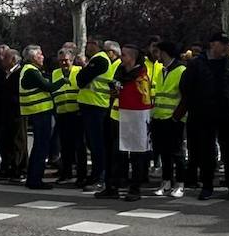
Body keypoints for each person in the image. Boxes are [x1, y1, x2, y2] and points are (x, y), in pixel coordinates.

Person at [180, 33, 229, 200]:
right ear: (212, 44)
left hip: (225, 113)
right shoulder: (197, 64)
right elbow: (185, 87)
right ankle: (207, 186)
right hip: (203, 113)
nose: (225, 47)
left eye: (226, 44)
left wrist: (228, 99)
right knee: (206, 152)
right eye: (222, 44)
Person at [99, 45, 151, 201]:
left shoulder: (140, 76)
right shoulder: (120, 72)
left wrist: (120, 92)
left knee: (136, 155)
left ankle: (135, 189)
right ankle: (112, 187)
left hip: (134, 120)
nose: (121, 57)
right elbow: (115, 90)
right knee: (114, 155)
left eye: (125, 55)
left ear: (133, 58)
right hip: (116, 118)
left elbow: (142, 99)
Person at [18, 45, 67, 190]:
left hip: (39, 112)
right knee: (41, 147)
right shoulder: (31, 71)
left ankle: (33, 178)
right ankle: (35, 179)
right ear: (33, 57)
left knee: (40, 147)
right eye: (40, 54)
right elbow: (48, 87)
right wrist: (63, 80)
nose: (43, 57)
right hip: (41, 112)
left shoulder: (29, 70)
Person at [76, 38, 121, 189]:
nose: (86, 47)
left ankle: (99, 177)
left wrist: (83, 71)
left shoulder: (99, 60)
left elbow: (81, 80)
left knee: (97, 145)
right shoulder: (97, 60)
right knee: (94, 143)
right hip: (93, 105)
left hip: (96, 106)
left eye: (89, 44)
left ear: (96, 45)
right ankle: (97, 175)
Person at [150, 41, 188, 198]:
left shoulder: (181, 70)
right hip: (159, 117)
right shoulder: (162, 71)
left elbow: (186, 97)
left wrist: (176, 117)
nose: (155, 55)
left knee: (177, 153)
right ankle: (166, 181)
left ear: (165, 53)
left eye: (157, 52)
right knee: (163, 152)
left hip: (174, 119)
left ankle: (180, 184)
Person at [51, 47, 85, 184]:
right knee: (65, 146)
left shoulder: (79, 71)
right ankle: (66, 173)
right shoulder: (55, 73)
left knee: (79, 145)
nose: (63, 63)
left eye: (66, 61)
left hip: (76, 113)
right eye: (61, 61)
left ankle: (81, 175)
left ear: (72, 60)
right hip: (62, 113)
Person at [0, 50, 27, 180]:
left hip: (17, 113)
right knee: (7, 141)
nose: (2, 59)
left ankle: (19, 168)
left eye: (6, 57)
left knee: (18, 141)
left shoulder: (20, 73)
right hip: (6, 113)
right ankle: (9, 166)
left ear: (14, 59)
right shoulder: (5, 74)